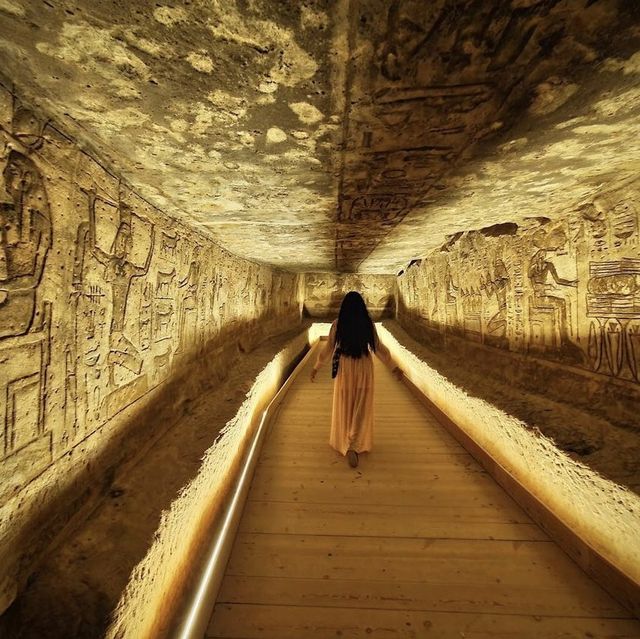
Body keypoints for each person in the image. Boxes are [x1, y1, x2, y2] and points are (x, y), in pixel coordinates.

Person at [310, 291, 402, 468]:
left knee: (346, 404)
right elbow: (379, 348)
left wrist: (316, 367)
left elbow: (328, 349)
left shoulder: (338, 325)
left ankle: (346, 440)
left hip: (345, 366)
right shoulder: (367, 324)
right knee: (361, 405)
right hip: (364, 366)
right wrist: (393, 367)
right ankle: (354, 445)